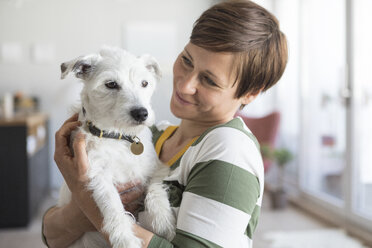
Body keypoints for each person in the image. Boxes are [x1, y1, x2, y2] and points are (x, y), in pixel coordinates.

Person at [42, 1, 287, 247]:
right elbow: (51, 237)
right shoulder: (151, 134)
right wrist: (78, 211)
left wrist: (87, 200)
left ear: (250, 93)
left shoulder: (229, 149)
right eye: (187, 60)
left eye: (209, 80)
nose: (184, 85)